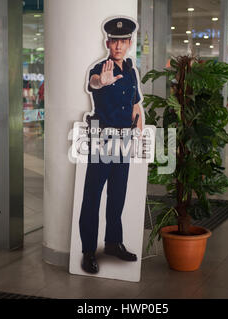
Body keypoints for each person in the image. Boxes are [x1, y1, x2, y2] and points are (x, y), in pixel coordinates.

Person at [79, 17, 143, 274]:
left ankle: (114, 243)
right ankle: (87, 251)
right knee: (93, 196)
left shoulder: (131, 72)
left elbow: (135, 104)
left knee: (118, 194)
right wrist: (101, 82)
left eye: (122, 41)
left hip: (125, 139)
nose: (118, 46)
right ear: (108, 42)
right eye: (114, 41)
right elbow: (93, 82)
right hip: (103, 139)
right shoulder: (100, 67)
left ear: (129, 44)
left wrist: (138, 131)